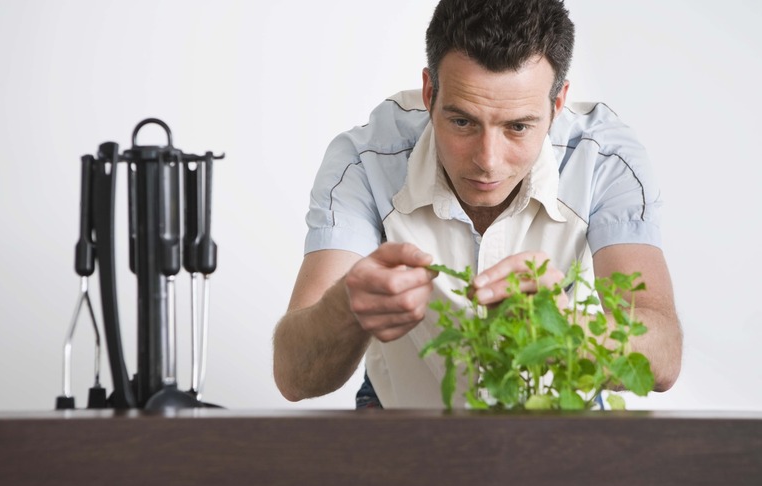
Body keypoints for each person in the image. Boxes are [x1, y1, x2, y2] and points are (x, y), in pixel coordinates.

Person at [273, 0, 683, 409]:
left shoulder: (604, 160)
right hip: (403, 416)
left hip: (559, 418)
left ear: (556, 106)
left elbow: (663, 356)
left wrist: (569, 327)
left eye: (518, 127)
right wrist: (346, 306)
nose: (488, 160)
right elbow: (294, 377)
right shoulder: (364, 159)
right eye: (463, 122)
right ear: (430, 93)